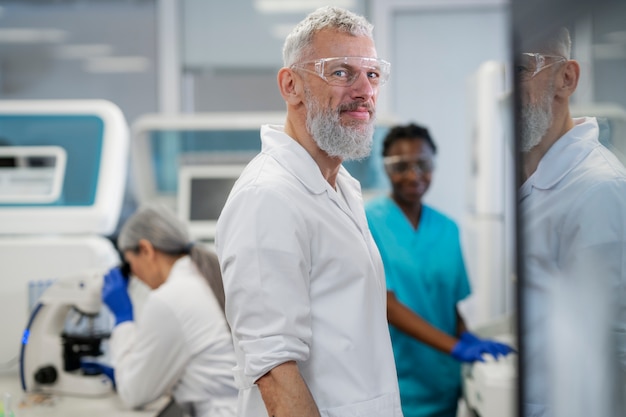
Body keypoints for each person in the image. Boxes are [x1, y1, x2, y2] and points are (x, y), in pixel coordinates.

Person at [215, 6, 403, 417]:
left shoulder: (341, 187)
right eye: (341, 72)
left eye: (372, 74)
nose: (363, 91)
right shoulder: (268, 197)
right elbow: (275, 373)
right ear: (291, 85)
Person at [365, 123, 514, 417]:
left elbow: (449, 304)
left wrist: (467, 337)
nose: (414, 175)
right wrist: (455, 347)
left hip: (444, 383)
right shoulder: (369, 222)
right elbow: (387, 305)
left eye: (423, 164)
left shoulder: (448, 228)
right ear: (386, 168)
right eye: (401, 166)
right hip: (398, 386)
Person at [518, 27, 626, 416]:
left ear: (567, 78)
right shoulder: (530, 176)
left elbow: (614, 350)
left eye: (521, 68)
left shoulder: (599, 191)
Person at [101, 203, 238, 417]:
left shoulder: (169, 298)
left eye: (130, 264)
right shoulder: (201, 275)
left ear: (146, 250)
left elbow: (134, 394)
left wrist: (122, 319)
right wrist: (131, 367)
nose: (134, 276)